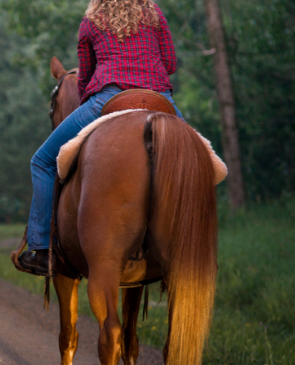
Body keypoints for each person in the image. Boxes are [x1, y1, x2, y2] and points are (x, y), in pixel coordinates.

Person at [17, 0, 184, 275]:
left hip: (109, 97)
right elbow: (169, 63)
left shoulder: (92, 20)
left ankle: (41, 249)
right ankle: (194, 241)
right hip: (158, 98)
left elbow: (85, 79)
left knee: (42, 162)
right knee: (199, 161)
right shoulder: (154, 13)